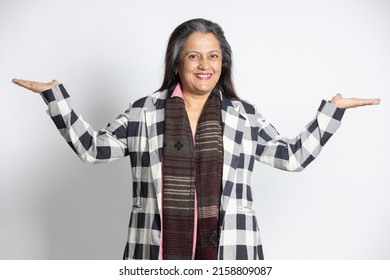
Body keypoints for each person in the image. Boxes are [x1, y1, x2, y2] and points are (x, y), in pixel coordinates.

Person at [12, 18, 380, 260]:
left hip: (229, 255)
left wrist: (332, 111)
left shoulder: (243, 115)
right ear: (177, 63)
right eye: (194, 56)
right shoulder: (145, 112)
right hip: (154, 253)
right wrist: (55, 98)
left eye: (213, 56)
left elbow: (293, 157)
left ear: (223, 63)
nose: (205, 65)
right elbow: (93, 149)